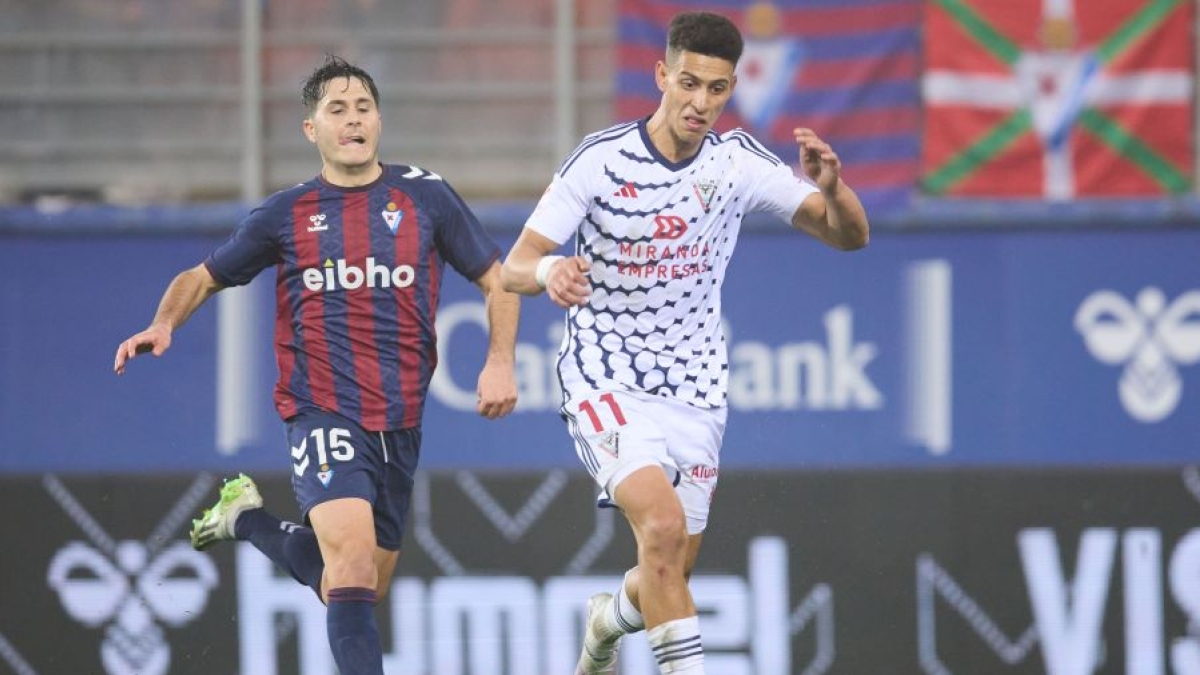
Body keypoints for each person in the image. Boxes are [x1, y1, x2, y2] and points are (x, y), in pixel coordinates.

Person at [113, 55, 519, 675]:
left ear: (379, 120)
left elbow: (501, 280)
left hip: (400, 422)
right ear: (312, 129)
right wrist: (163, 322)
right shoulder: (287, 213)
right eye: (337, 110)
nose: (352, 120)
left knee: (354, 586)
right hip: (322, 410)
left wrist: (499, 361)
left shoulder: (425, 196)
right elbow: (203, 277)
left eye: (363, 108)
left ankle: (244, 518)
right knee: (352, 566)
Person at [501, 11, 868, 675]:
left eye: (717, 89)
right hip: (604, 377)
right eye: (690, 83)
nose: (701, 102)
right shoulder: (601, 160)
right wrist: (552, 270)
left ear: (731, 90)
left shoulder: (737, 163)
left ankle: (606, 620)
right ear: (662, 75)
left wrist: (833, 188)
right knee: (662, 530)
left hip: (695, 390)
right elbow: (514, 264)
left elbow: (849, 237)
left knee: (668, 568)